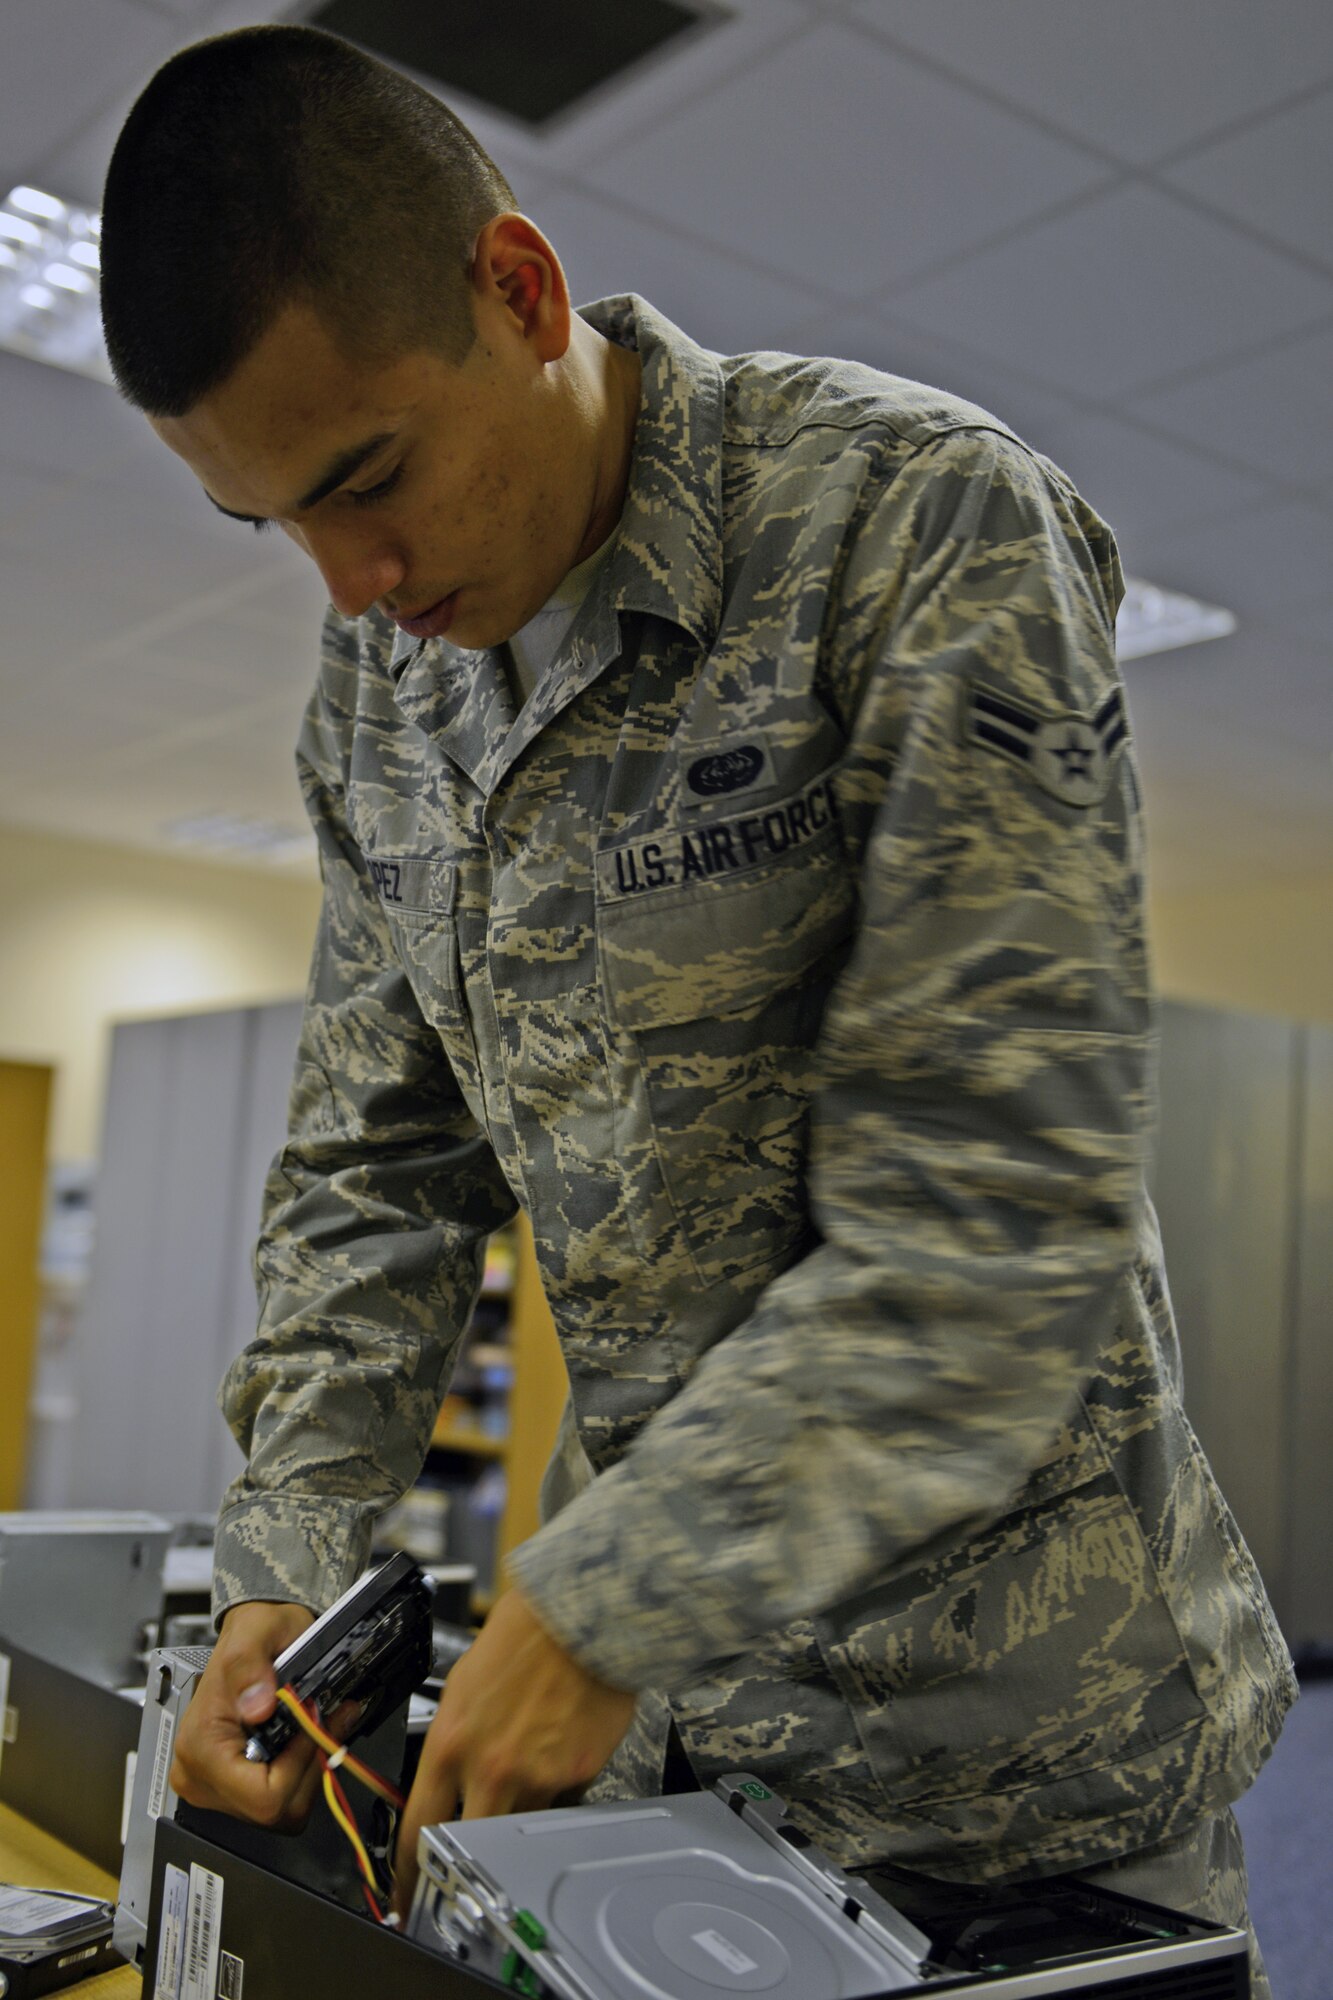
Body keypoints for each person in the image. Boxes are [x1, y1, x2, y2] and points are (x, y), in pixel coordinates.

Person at [99, 22, 1294, 1982]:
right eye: (274, 522)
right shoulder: (384, 696)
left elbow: (997, 1218)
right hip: (667, 1767)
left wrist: (598, 1603)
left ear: (517, 287)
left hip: (1017, 1768)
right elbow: (371, 1176)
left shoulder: (916, 527)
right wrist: (282, 1570)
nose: (349, 583)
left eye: (367, 476)